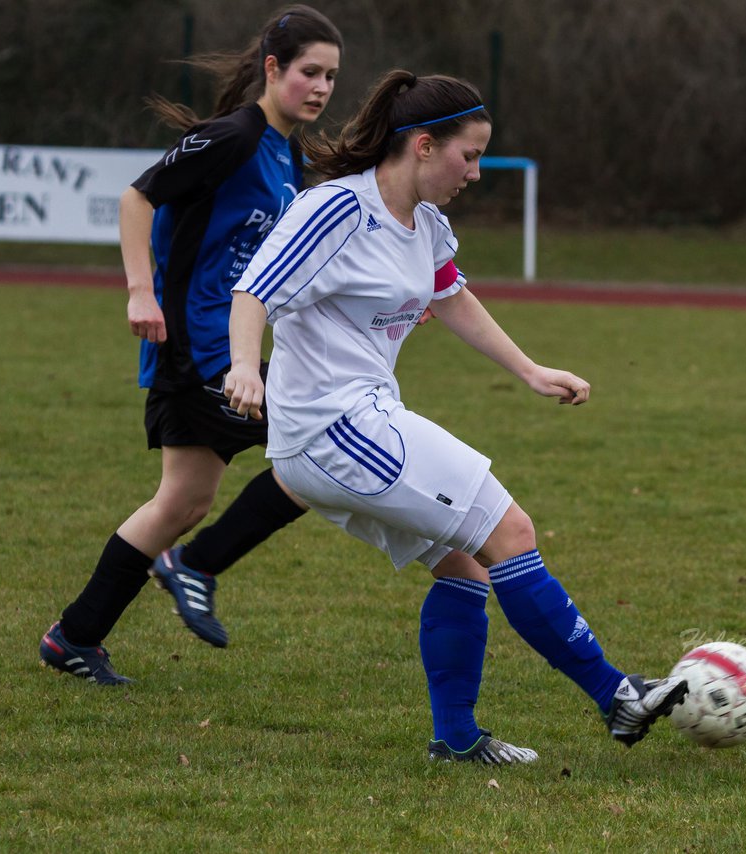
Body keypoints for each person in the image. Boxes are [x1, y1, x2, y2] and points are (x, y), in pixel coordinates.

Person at [224, 71, 689, 764]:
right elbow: (253, 291)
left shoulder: (427, 224)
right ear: (420, 146)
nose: (475, 172)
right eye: (467, 156)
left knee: (467, 568)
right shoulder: (336, 210)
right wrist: (242, 366)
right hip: (333, 428)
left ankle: (458, 740)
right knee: (511, 529)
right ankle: (617, 696)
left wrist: (530, 369)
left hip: (351, 426)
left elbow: (451, 300)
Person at [40, 5, 361, 684]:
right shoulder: (234, 136)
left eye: (332, 76)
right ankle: (196, 564)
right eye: (311, 72)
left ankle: (74, 636)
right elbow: (137, 199)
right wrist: (138, 290)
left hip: (227, 344)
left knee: (182, 502)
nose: (323, 87)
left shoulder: (286, 152)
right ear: (273, 69)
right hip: (194, 344)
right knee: (323, 449)